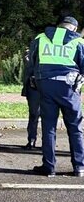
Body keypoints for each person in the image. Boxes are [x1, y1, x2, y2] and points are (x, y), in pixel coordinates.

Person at [29, 15, 84, 177]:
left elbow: (32, 62)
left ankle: (49, 167)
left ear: (59, 26)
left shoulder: (41, 38)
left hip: (46, 86)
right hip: (69, 87)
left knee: (49, 127)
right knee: (75, 127)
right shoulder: (78, 41)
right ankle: (79, 167)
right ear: (73, 28)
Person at [21, 47, 40, 149]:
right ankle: (32, 140)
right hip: (35, 85)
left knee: (35, 115)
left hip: (36, 86)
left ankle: (33, 140)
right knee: (35, 114)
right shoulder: (31, 52)